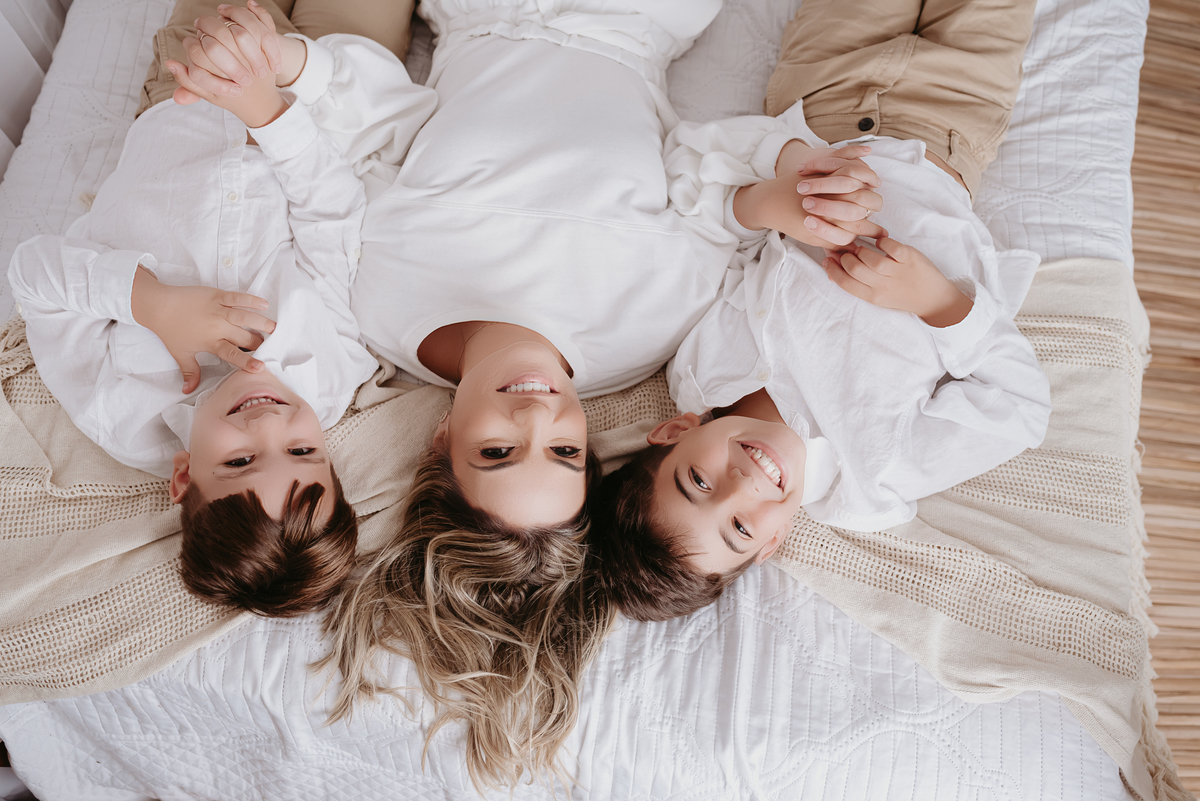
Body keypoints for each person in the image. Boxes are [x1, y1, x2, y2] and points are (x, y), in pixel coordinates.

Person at [162, 0, 886, 788]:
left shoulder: (378, 304)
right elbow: (714, 184)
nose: (539, 412)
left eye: (499, 449)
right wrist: (790, 190)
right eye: (566, 449)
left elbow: (375, 128)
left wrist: (288, 65)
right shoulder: (649, 330)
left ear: (441, 440)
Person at [589, 0, 1051, 623]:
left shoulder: (698, 367)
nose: (743, 486)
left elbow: (712, 218)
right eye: (740, 528)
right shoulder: (872, 479)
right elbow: (1019, 409)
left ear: (674, 433)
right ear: (771, 545)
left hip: (821, 106)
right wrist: (936, 301)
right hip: (951, 126)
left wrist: (779, 198)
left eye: (698, 481)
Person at [3, 16, 414, 617]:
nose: (269, 424)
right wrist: (266, 111)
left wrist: (151, 302)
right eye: (304, 451)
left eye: (240, 461)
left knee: (219, 14)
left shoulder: (118, 410)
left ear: (183, 477)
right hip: (309, 104)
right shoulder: (330, 377)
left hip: (183, 99)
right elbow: (331, 223)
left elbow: (32, 275)